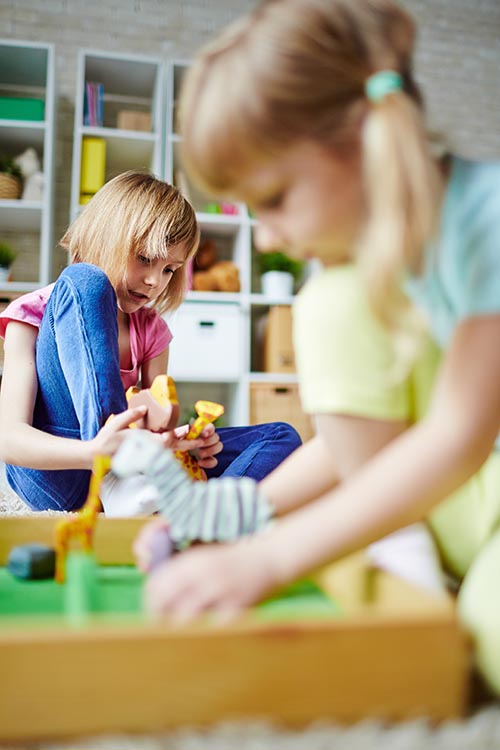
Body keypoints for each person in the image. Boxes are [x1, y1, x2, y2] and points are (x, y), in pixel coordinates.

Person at [134, 0, 500, 694]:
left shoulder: (489, 221)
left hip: (473, 473)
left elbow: (457, 434)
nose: (266, 238)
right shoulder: (365, 273)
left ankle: (411, 553)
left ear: (360, 136)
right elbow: (351, 440)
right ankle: (405, 547)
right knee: (330, 299)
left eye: (273, 197)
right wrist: (231, 523)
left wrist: (269, 562)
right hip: (467, 495)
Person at [0, 170, 301, 513]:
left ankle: (199, 514)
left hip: (133, 478)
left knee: (281, 436)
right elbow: (10, 440)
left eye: (170, 269)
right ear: (104, 236)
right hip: (59, 472)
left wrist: (182, 444)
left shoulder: (152, 330)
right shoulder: (31, 315)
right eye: (144, 258)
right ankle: (121, 480)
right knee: (86, 281)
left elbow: (154, 426)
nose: (154, 281)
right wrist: (96, 453)